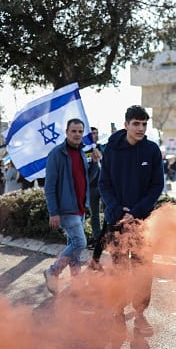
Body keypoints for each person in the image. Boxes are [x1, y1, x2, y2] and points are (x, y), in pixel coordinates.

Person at [96, 104, 164, 336]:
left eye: (144, 124)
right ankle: (117, 311)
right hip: (116, 220)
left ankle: (140, 315)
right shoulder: (111, 150)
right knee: (119, 268)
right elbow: (103, 184)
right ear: (126, 124)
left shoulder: (152, 150)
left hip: (143, 222)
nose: (141, 128)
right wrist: (117, 210)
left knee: (143, 269)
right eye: (136, 123)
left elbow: (157, 186)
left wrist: (135, 211)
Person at [43, 118, 91, 295]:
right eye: (74, 131)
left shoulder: (81, 153)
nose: (77, 134)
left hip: (80, 207)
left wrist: (95, 164)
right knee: (80, 242)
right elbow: (49, 186)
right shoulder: (57, 154)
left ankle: (76, 285)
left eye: (80, 131)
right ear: (66, 132)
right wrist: (53, 212)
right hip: (66, 209)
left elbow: (86, 179)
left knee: (74, 247)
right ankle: (53, 271)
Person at [86, 127, 102, 248]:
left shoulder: (102, 147)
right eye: (92, 133)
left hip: (105, 187)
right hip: (91, 187)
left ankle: (109, 237)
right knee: (94, 215)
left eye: (96, 133)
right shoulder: (85, 149)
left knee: (109, 213)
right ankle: (97, 239)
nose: (94, 135)